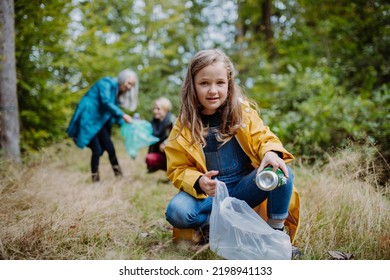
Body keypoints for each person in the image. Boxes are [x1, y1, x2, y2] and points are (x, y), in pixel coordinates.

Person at [165, 49, 296, 242]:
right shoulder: (184, 124)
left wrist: (270, 152)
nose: (213, 90)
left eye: (220, 83)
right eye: (204, 83)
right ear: (192, 86)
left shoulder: (242, 112)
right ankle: (213, 224)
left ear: (229, 84)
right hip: (210, 194)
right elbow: (177, 168)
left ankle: (275, 234)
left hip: (245, 189)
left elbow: (262, 136)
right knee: (177, 211)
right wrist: (198, 181)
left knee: (282, 173)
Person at [67, 69, 139, 183]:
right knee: (97, 149)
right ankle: (95, 181)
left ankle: (119, 177)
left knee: (110, 148)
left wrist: (124, 123)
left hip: (100, 122)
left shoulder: (117, 92)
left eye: (133, 85)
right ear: (122, 79)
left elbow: (112, 112)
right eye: (129, 83)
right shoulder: (106, 83)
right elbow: (105, 102)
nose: (130, 87)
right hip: (89, 118)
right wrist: (123, 115)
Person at [146, 97, 175, 173]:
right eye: (154, 109)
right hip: (161, 152)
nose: (155, 111)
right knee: (150, 158)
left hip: (174, 153)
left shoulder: (172, 121)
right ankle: (166, 170)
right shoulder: (154, 122)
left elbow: (178, 136)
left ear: (165, 109)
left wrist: (166, 143)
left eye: (158, 109)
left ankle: (175, 172)